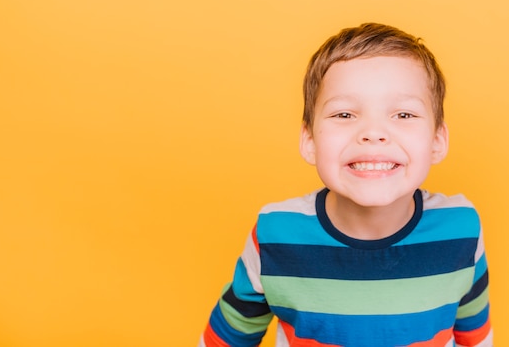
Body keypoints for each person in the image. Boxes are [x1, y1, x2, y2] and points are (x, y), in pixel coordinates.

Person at [200, 23, 492, 347]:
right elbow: (226, 339)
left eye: (404, 115)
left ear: (437, 140)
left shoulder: (461, 229)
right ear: (309, 140)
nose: (373, 132)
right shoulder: (274, 234)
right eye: (344, 114)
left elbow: (475, 338)